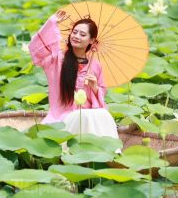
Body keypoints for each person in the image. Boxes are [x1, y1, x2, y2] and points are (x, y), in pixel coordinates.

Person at [28, 10, 119, 141]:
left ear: (91, 40)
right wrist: (51, 23)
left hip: (86, 116)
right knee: (82, 117)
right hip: (62, 118)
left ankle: (110, 153)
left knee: (104, 115)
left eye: (82, 34)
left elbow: (101, 99)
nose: (76, 36)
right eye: (74, 32)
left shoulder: (95, 65)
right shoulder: (57, 59)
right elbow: (36, 50)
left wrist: (95, 88)